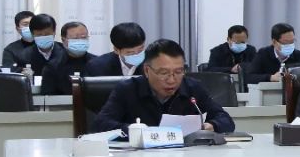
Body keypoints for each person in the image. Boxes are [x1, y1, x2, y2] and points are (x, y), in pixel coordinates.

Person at [92, 39, 235, 134]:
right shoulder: (127, 90)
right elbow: (100, 124)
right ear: (147, 70)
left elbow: (225, 120)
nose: (172, 80)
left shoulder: (192, 88)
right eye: (164, 73)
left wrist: (212, 125)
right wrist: (133, 130)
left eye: (178, 72)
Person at [48, 21, 96, 90]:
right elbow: (47, 95)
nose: (80, 41)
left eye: (83, 38)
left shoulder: (97, 63)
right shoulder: (53, 66)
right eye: (75, 38)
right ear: (63, 40)